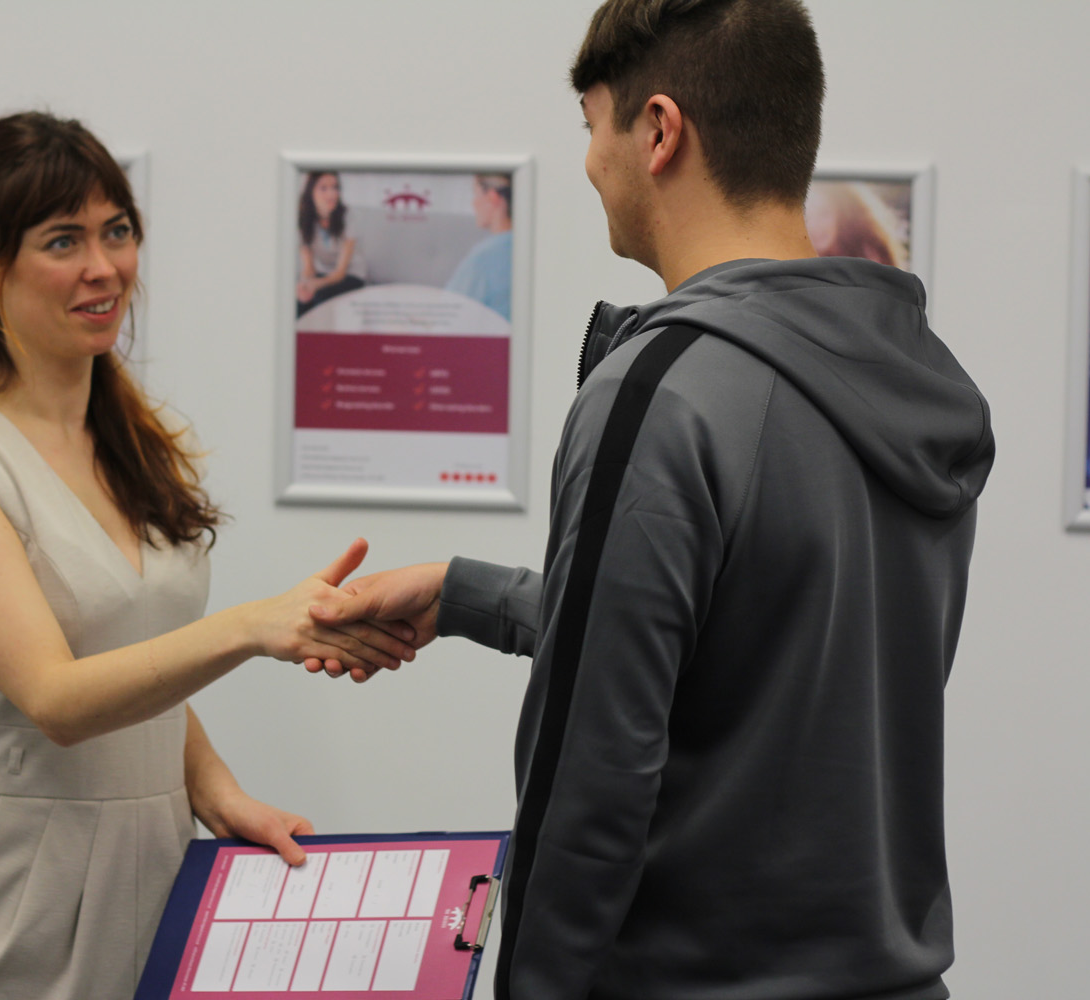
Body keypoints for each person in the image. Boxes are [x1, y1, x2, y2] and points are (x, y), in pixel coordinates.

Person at [310, 2, 994, 998]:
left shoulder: (662, 385)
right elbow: (750, 643)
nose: (590, 163)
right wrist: (464, 593)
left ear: (659, 130)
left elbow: (592, 789)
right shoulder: (916, 381)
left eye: (592, 126)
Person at [0, 112, 413, 1000]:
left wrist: (212, 785)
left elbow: (124, 644)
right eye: (63, 240)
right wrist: (249, 627)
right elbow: (56, 695)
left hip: (153, 860)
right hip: (2, 886)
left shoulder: (132, 440)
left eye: (117, 231)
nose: (104, 266)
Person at [296, 171, 366, 317]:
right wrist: (304, 285)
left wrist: (315, 285)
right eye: (324, 188)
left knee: (321, 295)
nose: (332, 194)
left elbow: (340, 273)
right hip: (322, 274)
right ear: (311, 192)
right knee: (299, 301)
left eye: (335, 187)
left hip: (350, 275)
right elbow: (309, 268)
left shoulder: (348, 216)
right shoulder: (302, 220)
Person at [443, 173, 513, 319]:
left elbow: (448, 316)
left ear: (492, 197)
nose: (473, 203)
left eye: (476, 194)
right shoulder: (529, 248)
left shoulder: (487, 256)